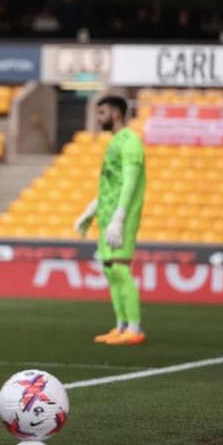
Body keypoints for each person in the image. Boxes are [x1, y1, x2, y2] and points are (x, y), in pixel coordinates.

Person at [74, 95, 146, 346]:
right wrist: (91, 211)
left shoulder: (130, 142)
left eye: (102, 112)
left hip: (121, 216)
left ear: (116, 113)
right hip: (107, 215)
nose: (98, 117)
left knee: (120, 268)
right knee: (109, 270)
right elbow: (111, 185)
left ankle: (135, 328)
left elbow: (130, 181)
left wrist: (120, 216)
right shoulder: (116, 142)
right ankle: (121, 325)